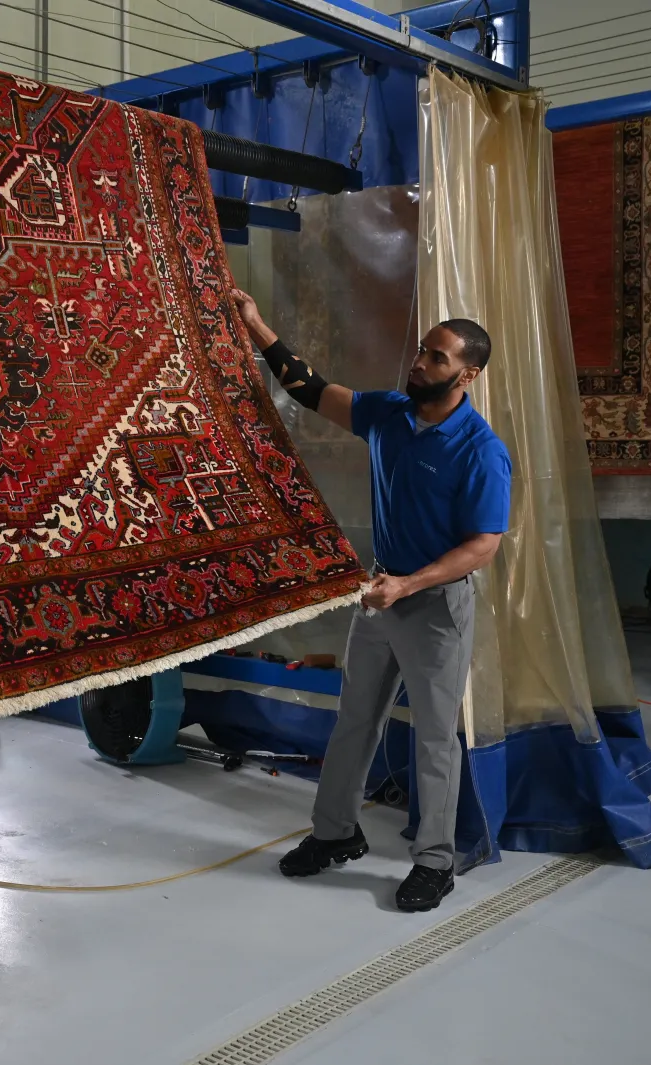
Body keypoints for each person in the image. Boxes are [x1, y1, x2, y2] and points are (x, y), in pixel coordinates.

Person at [231, 289, 512, 913]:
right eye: (422, 351)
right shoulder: (387, 412)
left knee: (434, 740)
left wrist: (409, 585)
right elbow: (311, 390)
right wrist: (256, 326)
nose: (419, 363)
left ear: (467, 375)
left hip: (434, 606)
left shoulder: (480, 450)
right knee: (355, 720)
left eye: (436, 358)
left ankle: (435, 862)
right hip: (380, 597)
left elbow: (484, 546)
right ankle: (334, 833)